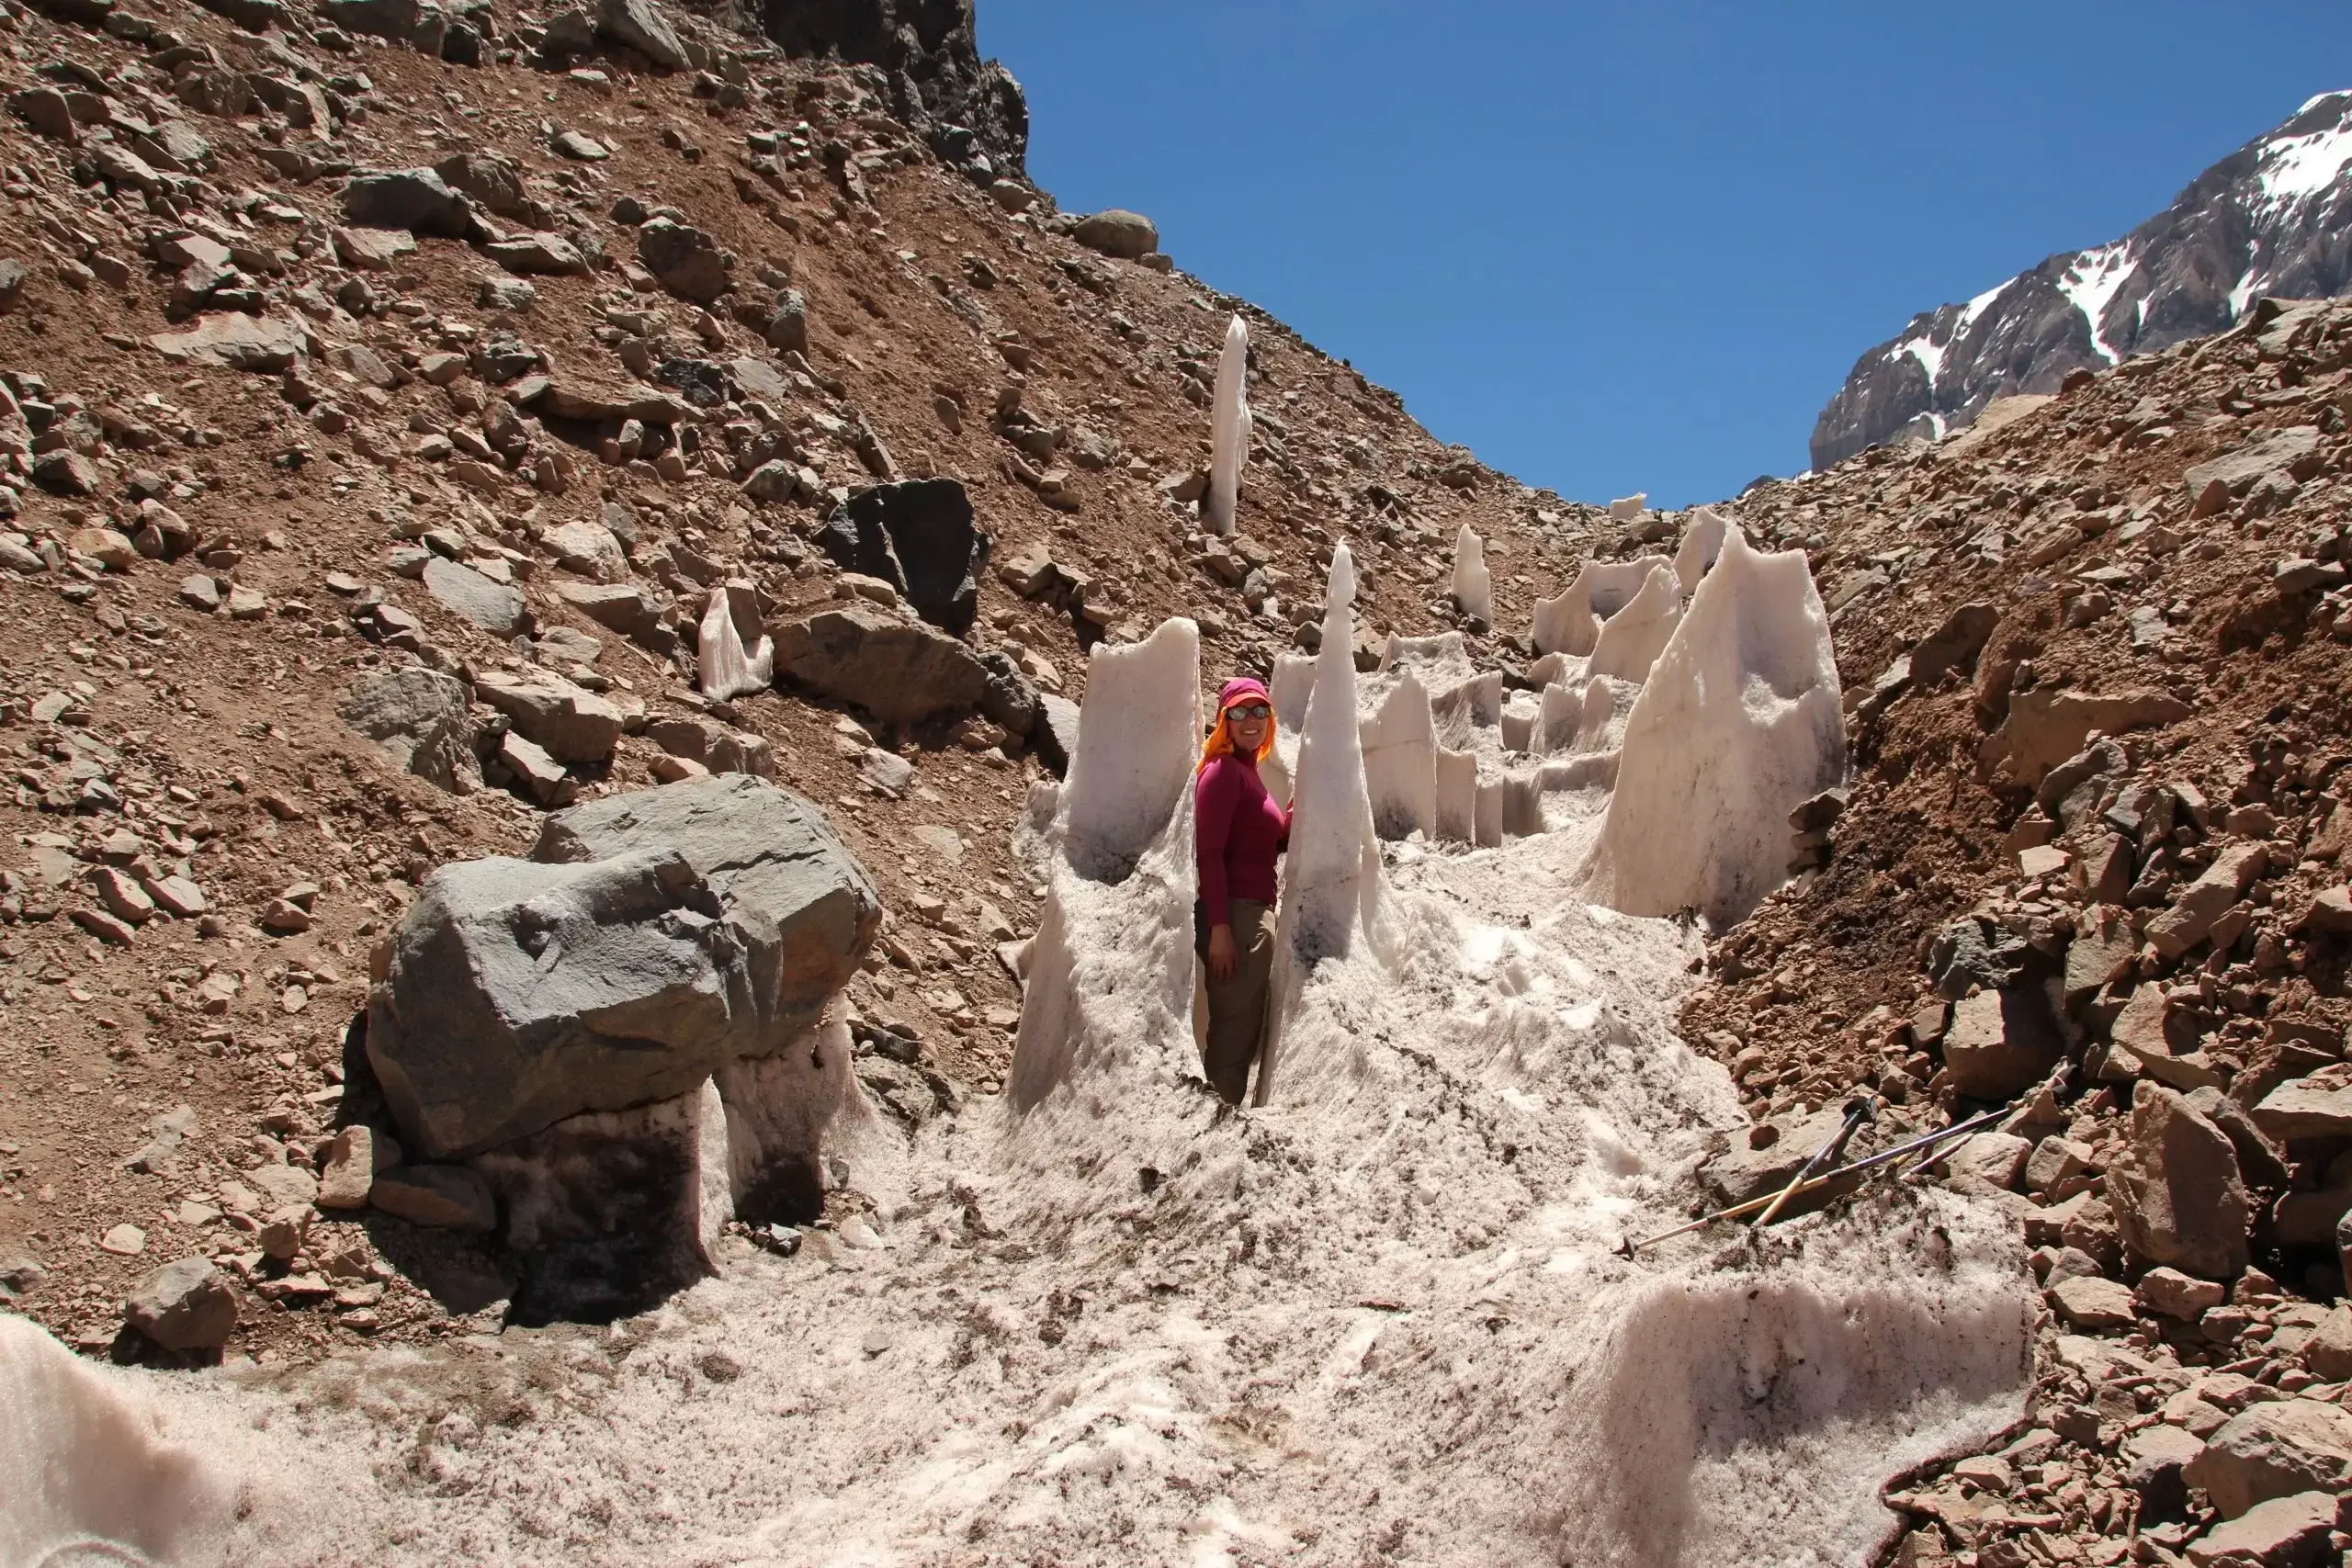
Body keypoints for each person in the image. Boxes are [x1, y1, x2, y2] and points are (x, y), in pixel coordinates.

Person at [1194, 676, 1291, 1104]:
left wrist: (1293, 816)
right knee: (1233, 1039)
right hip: (1235, 916)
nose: (1250, 720)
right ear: (1224, 721)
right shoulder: (1221, 772)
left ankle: (1219, 1122)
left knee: (1242, 1032)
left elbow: (1264, 844)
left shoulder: (1249, 772)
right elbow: (1210, 854)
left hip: (1252, 915)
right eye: (1238, 712)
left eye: (1259, 711)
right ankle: (1214, 1135)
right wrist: (1220, 929)